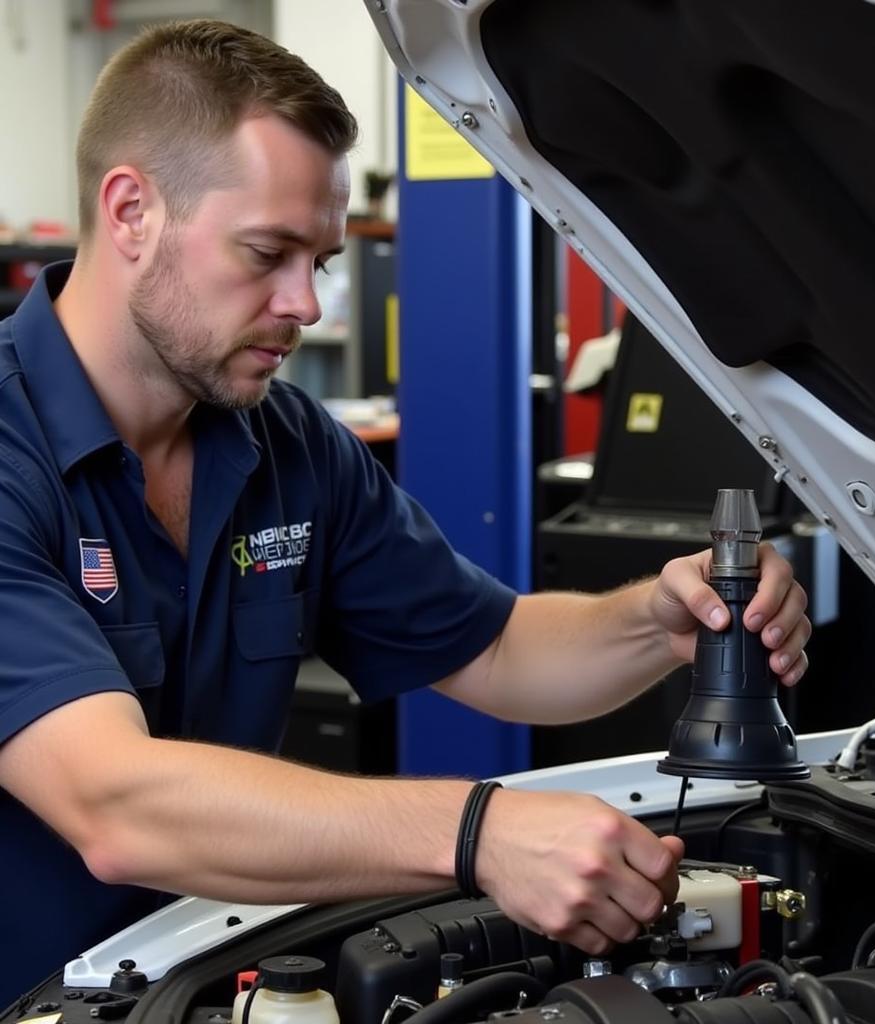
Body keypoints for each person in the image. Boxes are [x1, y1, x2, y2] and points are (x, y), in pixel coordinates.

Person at [0, 19, 810, 1008]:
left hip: (206, 986)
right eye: (268, 252)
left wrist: (654, 619)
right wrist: (479, 831)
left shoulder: (285, 445)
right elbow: (111, 803)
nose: (305, 302)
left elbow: (501, 647)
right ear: (131, 211)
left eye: (321, 259)